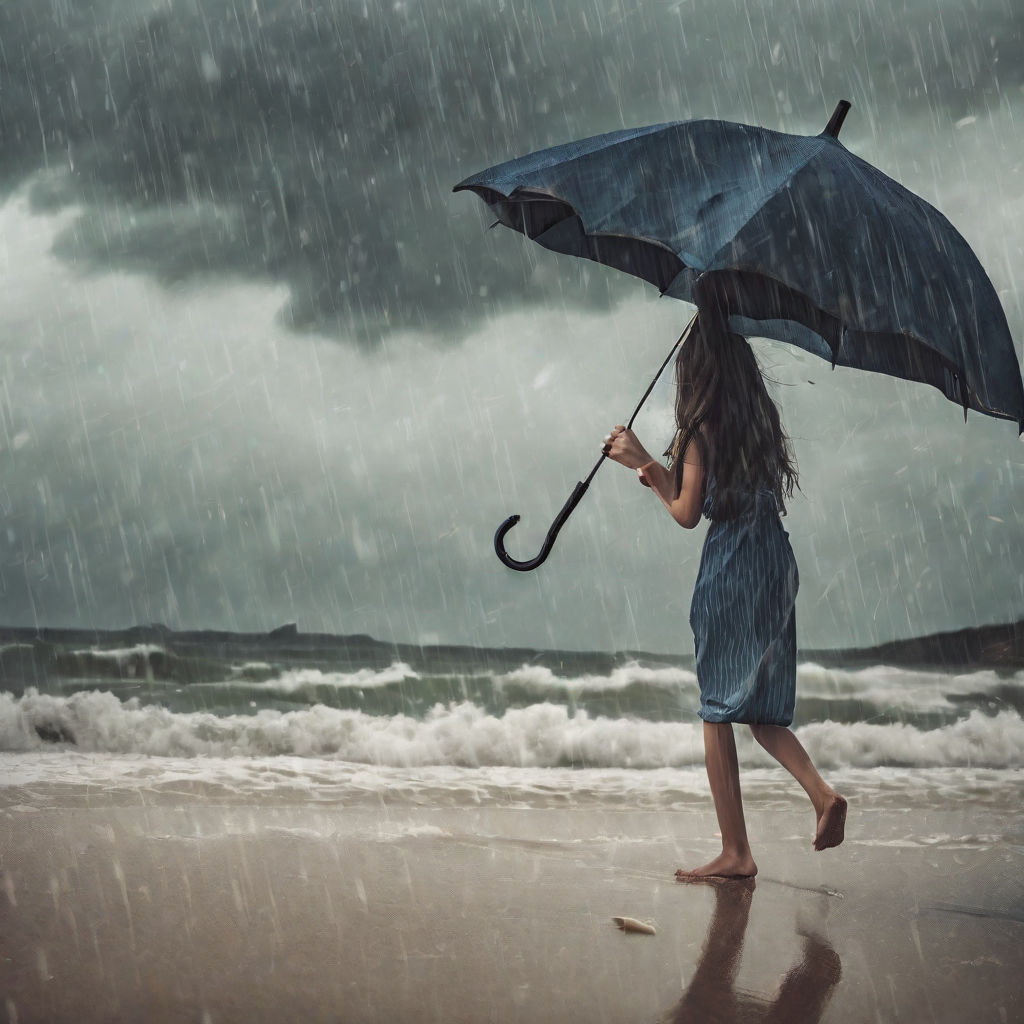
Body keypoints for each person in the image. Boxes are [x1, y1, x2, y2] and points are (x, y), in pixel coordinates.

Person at [602, 315, 847, 879]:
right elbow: (698, 493)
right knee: (759, 712)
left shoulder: (699, 429)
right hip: (775, 561)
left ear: (695, 372)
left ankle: (736, 852)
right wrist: (655, 473)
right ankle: (822, 793)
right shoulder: (755, 423)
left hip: (733, 562)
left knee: (716, 708)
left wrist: (639, 457)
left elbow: (688, 515)